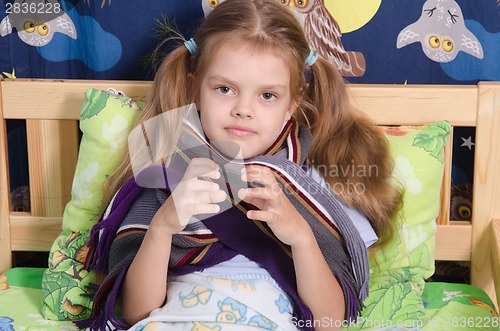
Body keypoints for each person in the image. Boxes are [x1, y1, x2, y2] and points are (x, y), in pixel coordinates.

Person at [78, 0, 402, 330]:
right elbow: (136, 314)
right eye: (224, 89)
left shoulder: (316, 191)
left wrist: (301, 236)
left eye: (267, 96)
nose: (243, 109)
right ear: (195, 89)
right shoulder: (169, 175)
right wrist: (163, 226)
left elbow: (329, 322)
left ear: (292, 104)